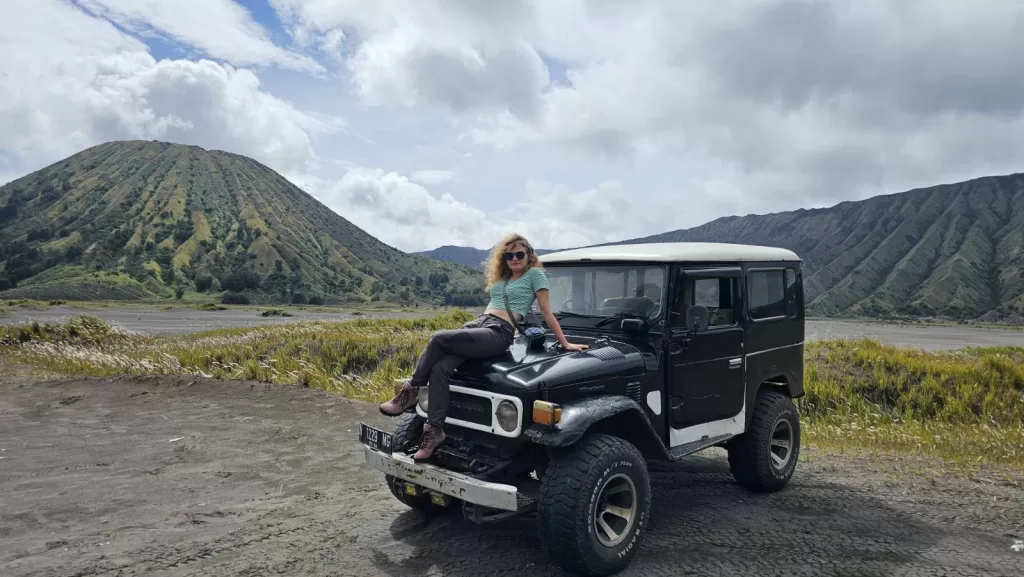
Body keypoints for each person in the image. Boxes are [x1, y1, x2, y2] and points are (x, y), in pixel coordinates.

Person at [379, 233, 588, 461]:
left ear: (529, 256)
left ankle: (410, 391)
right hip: (479, 324)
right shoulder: (504, 278)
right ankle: (434, 431)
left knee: (438, 338)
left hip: (499, 332)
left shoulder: (535, 275)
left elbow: (547, 312)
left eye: (520, 254)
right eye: (509, 255)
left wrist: (565, 343)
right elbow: (492, 306)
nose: (514, 259)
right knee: (441, 369)